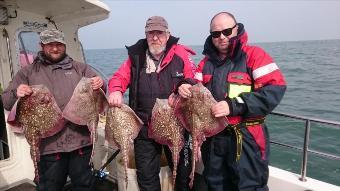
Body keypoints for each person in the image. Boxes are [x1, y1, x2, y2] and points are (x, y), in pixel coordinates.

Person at [177, 12, 287, 191]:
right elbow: (194, 84)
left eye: (227, 31)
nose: (221, 37)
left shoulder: (254, 55)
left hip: (246, 138)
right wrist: (183, 86)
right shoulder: (205, 63)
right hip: (213, 140)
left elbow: (274, 89)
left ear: (237, 29)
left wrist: (233, 105)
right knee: (215, 185)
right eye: (216, 34)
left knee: (249, 186)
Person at [1, 29, 104, 191]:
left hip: (81, 142)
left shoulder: (81, 69)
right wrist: (17, 93)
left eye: (58, 45)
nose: (55, 49)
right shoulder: (27, 73)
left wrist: (100, 83)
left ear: (64, 45)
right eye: (50, 45)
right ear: (41, 46)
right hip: (49, 146)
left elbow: (103, 92)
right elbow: (6, 101)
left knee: (84, 186)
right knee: (49, 187)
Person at [108, 16, 196, 191]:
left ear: (167, 34)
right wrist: (116, 90)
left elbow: (193, 76)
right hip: (144, 128)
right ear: (146, 35)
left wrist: (187, 84)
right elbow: (119, 77)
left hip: (176, 125)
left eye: (159, 33)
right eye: (151, 33)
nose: (155, 38)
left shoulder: (180, 53)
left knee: (183, 173)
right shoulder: (136, 56)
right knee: (147, 177)